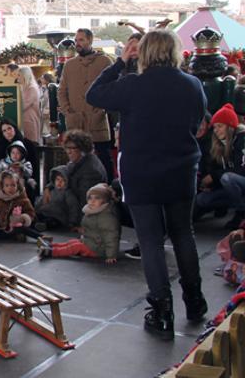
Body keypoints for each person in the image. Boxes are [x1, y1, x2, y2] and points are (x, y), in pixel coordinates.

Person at [85, 29, 207, 339]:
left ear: (143, 53)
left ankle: (162, 311)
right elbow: (196, 123)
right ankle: (195, 301)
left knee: (150, 240)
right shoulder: (192, 85)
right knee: (183, 233)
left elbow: (94, 95)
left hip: (142, 172)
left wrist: (119, 62)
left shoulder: (132, 85)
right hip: (182, 170)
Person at [58, 28, 115, 178]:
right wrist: (68, 112)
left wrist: (102, 110)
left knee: (103, 161)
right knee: (76, 163)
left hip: (97, 121)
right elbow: (62, 91)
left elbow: (113, 88)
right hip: (75, 122)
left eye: (81, 40)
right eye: (76, 40)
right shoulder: (69, 65)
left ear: (90, 41)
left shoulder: (104, 62)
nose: (77, 43)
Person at [38, 183, 120, 264]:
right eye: (90, 198)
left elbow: (111, 237)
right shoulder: (93, 211)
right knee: (73, 242)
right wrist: (81, 230)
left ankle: (52, 252)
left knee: (76, 247)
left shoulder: (106, 217)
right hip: (91, 242)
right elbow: (91, 227)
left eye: (97, 198)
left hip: (99, 250)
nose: (92, 201)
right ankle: (51, 246)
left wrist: (111, 256)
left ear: (104, 200)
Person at [195, 104, 245, 229]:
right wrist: (209, 184)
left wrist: (214, 176)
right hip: (232, 188)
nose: (216, 130)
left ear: (229, 126)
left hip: (241, 181)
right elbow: (215, 169)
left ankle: (241, 214)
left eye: (220, 126)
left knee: (227, 178)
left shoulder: (241, 139)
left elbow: (240, 171)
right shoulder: (218, 144)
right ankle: (234, 209)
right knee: (203, 199)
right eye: (215, 127)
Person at [0, 170, 39, 241]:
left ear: (17, 186)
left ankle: (37, 236)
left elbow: (31, 213)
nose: (10, 188)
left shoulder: (23, 199)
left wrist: (23, 218)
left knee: (22, 229)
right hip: (2, 226)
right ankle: (13, 235)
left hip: (17, 225)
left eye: (13, 185)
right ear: (2, 187)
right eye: (7, 185)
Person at [62, 130, 107, 211]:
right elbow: (63, 173)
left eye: (72, 148)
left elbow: (85, 203)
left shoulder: (91, 170)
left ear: (82, 149)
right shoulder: (77, 161)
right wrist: (49, 187)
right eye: (67, 148)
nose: (68, 151)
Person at [35, 166, 80, 230]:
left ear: (67, 182)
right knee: (37, 216)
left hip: (57, 217)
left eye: (63, 180)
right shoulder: (50, 191)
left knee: (52, 222)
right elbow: (41, 201)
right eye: (58, 179)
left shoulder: (67, 193)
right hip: (45, 212)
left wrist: (72, 222)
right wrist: (36, 209)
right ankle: (36, 223)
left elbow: (73, 207)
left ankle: (43, 226)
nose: (59, 182)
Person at [18, 66, 41, 145]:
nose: (18, 78)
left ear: (25, 76)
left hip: (30, 120)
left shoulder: (31, 88)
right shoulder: (24, 87)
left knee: (31, 145)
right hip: (25, 120)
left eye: (19, 75)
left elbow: (24, 105)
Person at [38, 72, 55, 138]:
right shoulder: (42, 88)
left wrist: (47, 110)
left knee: (49, 127)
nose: (41, 79)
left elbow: (49, 100)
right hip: (43, 110)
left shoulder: (51, 87)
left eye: (42, 78)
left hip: (48, 110)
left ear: (46, 79)